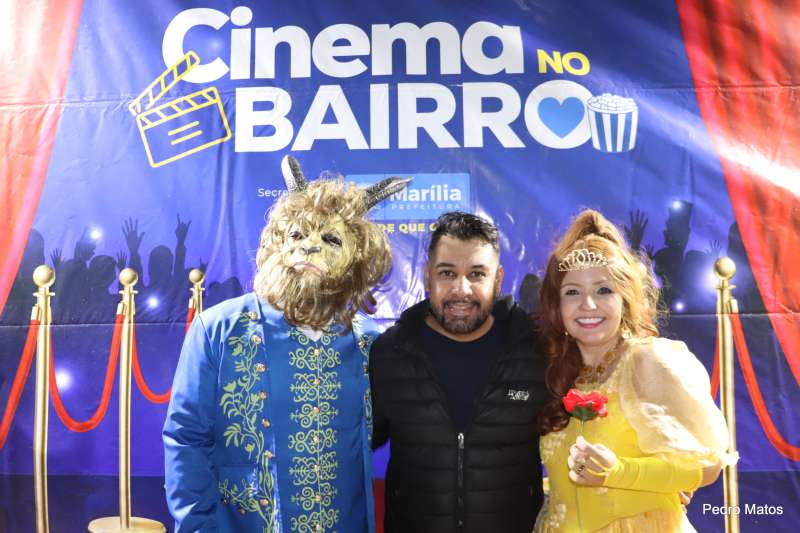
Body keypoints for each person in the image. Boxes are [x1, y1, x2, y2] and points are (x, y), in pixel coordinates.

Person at [162, 156, 408, 533]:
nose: (310, 246)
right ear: (278, 242)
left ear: (356, 258)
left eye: (330, 239)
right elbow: (186, 438)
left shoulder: (369, 343)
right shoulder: (219, 329)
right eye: (297, 235)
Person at [534, 209, 736, 532]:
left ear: (625, 298)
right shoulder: (557, 371)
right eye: (572, 292)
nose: (588, 305)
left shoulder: (648, 361)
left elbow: (707, 466)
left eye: (603, 290)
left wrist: (620, 471)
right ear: (557, 305)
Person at [370, 211, 546, 533]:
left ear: (498, 279)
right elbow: (354, 439)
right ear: (427, 276)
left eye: (477, 274)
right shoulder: (390, 351)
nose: (461, 289)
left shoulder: (536, 351)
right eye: (447, 273)